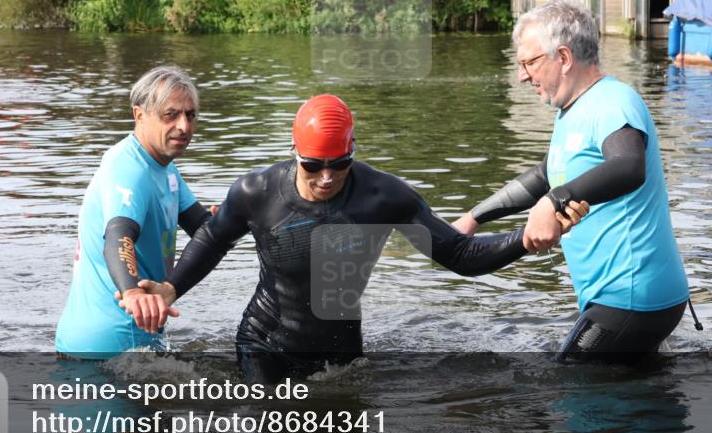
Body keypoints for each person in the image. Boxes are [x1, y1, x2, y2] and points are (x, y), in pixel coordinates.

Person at [123, 94, 588, 383]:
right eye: (313, 166)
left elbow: (460, 255)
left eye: (339, 165)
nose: (326, 178)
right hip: (265, 343)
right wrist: (171, 287)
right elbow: (212, 240)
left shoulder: (384, 197)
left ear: (353, 153)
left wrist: (524, 241)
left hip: (342, 353)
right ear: (295, 155)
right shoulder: (257, 191)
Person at [452, 0, 695, 362]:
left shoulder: (613, 102)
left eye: (530, 62)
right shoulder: (573, 111)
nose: (522, 75)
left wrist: (555, 201)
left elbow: (629, 165)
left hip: (632, 297)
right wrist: (474, 217)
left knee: (568, 389)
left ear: (563, 58)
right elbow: (542, 176)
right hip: (622, 298)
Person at [55, 66, 214, 359]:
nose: (184, 126)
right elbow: (118, 235)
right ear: (139, 115)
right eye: (171, 114)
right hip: (99, 353)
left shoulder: (164, 168)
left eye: (190, 115)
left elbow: (206, 230)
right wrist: (131, 292)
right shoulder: (127, 167)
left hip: (134, 344)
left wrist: (238, 217)